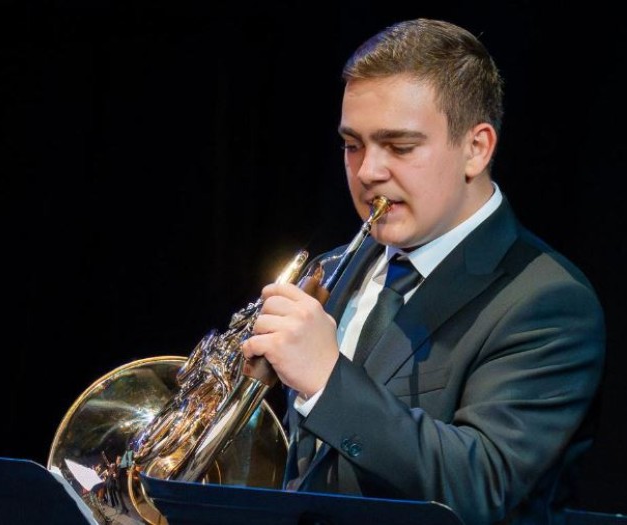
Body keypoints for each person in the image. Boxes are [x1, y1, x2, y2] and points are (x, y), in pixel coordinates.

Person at [242, 18, 606, 525]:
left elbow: (481, 484)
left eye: (400, 147)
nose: (368, 171)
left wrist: (326, 378)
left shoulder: (548, 301)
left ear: (476, 149)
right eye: (352, 145)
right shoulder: (333, 269)